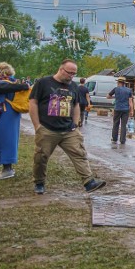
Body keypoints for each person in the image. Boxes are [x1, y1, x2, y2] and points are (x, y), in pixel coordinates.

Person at [29, 59, 106, 194]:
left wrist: (75, 124)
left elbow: (76, 105)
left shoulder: (73, 86)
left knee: (79, 154)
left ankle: (89, 182)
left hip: (68, 129)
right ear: (61, 69)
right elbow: (33, 103)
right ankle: (39, 182)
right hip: (47, 128)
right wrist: (37, 126)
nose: (71, 76)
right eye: (69, 73)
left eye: (74, 73)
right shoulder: (43, 83)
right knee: (41, 157)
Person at [0, 63, 23, 180]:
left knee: (3, 139)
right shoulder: (15, 82)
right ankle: (9, 167)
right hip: (14, 114)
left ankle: (7, 169)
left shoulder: (1, 84)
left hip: (5, 114)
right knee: (12, 139)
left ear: (0, 72)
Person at [107, 77, 134, 145]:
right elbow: (130, 102)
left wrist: (114, 97)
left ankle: (114, 138)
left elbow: (108, 96)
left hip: (117, 109)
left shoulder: (115, 89)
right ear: (124, 83)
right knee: (123, 125)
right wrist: (131, 111)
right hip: (125, 110)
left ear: (118, 82)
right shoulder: (129, 90)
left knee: (116, 124)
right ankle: (122, 140)